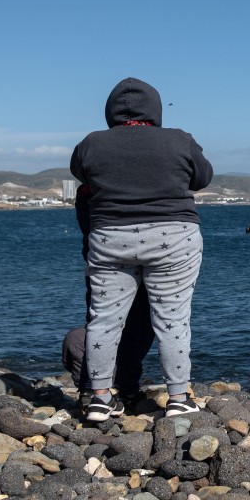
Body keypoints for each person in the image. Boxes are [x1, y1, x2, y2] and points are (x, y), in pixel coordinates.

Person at [70, 77, 213, 421]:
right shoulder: (180, 139)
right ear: (156, 110)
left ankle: (100, 398)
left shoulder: (91, 143)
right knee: (172, 321)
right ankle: (178, 396)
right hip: (173, 237)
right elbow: (202, 178)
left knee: (103, 321)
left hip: (110, 236)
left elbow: (81, 175)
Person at [62, 184, 154, 411]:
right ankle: (126, 388)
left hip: (102, 254)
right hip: (139, 253)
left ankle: (93, 389)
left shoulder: (93, 181)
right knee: (137, 325)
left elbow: (87, 226)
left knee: (100, 324)